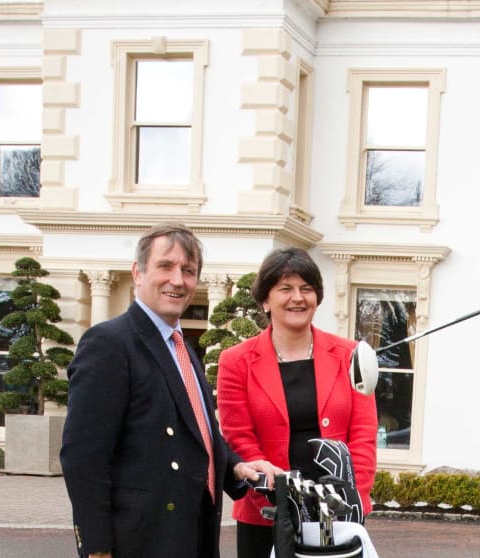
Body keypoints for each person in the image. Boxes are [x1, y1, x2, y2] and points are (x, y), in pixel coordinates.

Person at [60, 223, 265, 558]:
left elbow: (198, 433)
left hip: (192, 534)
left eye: (188, 270)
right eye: (165, 266)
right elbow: (83, 457)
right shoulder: (109, 343)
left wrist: (236, 468)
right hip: (140, 542)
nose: (178, 280)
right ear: (138, 273)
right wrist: (97, 548)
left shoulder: (181, 347)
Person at [216, 247, 378, 557]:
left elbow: (363, 434)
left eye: (307, 289)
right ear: (265, 299)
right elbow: (239, 437)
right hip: (266, 512)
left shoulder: (350, 355)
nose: (298, 298)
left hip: (337, 511)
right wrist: (274, 489)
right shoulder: (235, 361)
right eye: (285, 288)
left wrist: (351, 499)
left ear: (317, 297)